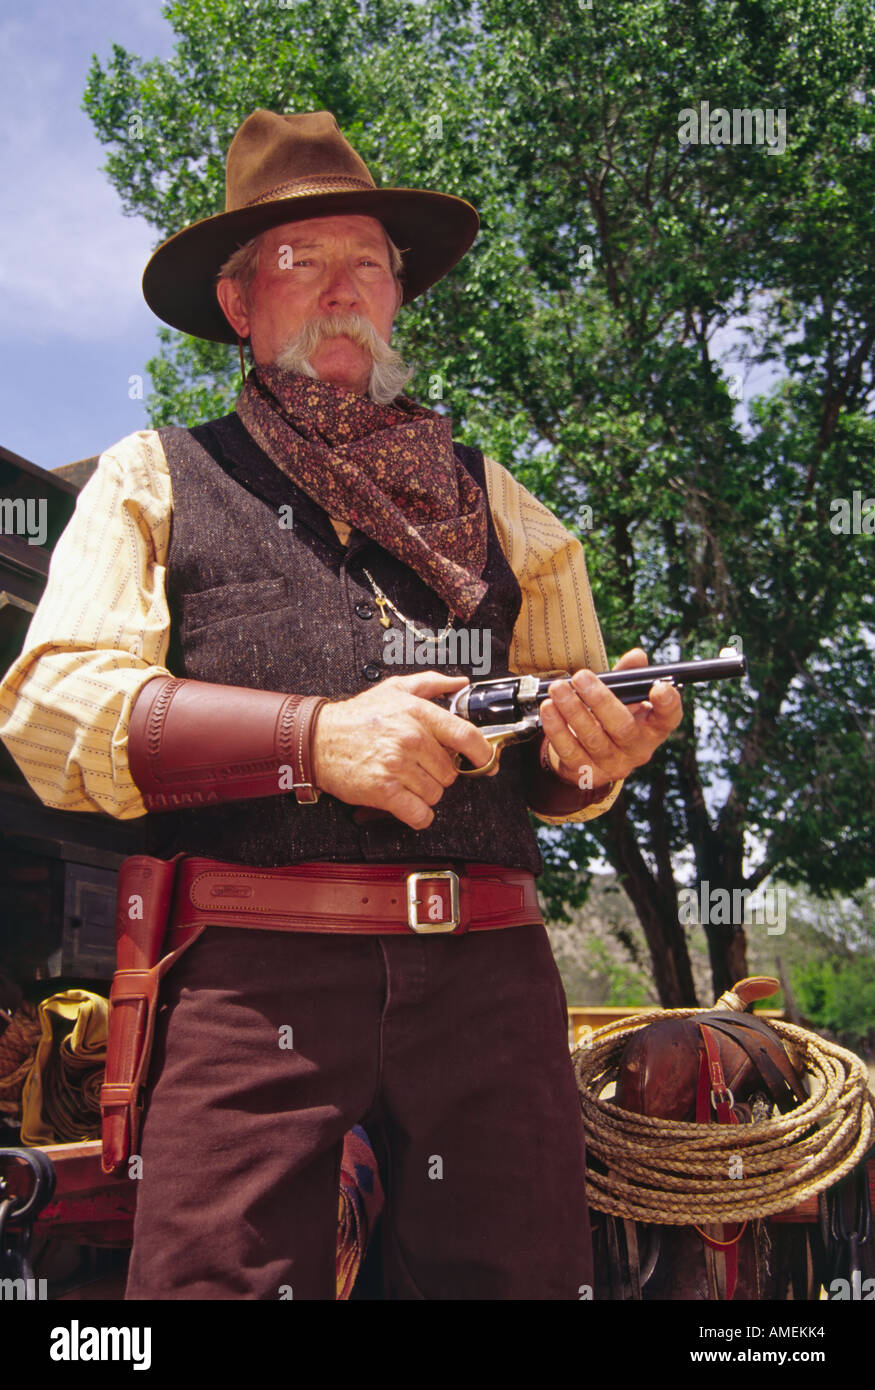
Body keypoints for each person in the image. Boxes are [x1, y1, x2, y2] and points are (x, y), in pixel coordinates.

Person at [0, 109, 682, 1300]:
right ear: (236, 303)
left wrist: (595, 752)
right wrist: (318, 739)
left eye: (364, 259)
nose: (338, 287)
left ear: (397, 295)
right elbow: (55, 709)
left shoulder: (503, 500)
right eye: (295, 260)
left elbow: (556, 760)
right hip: (251, 977)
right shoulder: (155, 475)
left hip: (491, 982)